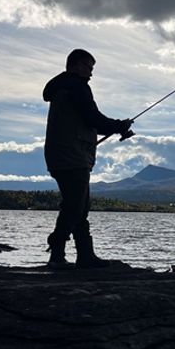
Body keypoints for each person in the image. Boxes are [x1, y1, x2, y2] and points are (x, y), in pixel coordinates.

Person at [43, 49, 133, 269]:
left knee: (80, 207)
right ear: (75, 65)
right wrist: (120, 126)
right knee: (75, 206)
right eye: (88, 67)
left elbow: (89, 120)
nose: (91, 73)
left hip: (62, 155)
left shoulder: (62, 88)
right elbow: (94, 118)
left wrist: (116, 127)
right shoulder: (76, 87)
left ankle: (85, 256)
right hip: (72, 156)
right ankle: (57, 251)